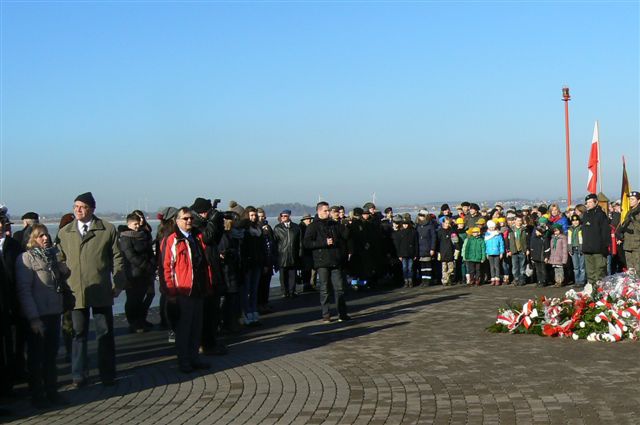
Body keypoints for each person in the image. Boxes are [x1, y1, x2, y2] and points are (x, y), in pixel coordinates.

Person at [57, 192, 125, 387]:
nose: (78, 210)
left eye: (82, 206)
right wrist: (62, 277)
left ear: (92, 209)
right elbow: (60, 258)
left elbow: (117, 257)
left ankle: (107, 373)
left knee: (104, 333)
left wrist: (118, 283)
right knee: (78, 334)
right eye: (75, 206)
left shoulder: (107, 229)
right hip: (75, 292)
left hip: (101, 290)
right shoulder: (65, 232)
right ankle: (79, 374)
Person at [16, 224, 70, 408]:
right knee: (37, 357)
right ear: (32, 239)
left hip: (53, 312)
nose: (45, 238)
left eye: (46, 235)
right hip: (38, 315)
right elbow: (24, 291)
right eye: (40, 236)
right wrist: (33, 318)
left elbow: (58, 282)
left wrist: (63, 269)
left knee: (51, 356)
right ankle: (38, 395)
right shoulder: (26, 259)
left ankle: (52, 392)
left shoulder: (51, 257)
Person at [163, 207, 212, 373]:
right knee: (184, 329)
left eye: (190, 218)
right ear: (177, 221)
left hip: (198, 289)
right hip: (183, 291)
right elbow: (166, 268)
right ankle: (184, 361)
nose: (189, 221)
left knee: (197, 327)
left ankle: (194, 358)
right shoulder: (172, 240)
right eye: (185, 218)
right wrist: (171, 293)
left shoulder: (197, 238)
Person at [303, 202, 350, 322]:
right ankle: (326, 314)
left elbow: (346, 236)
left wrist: (345, 224)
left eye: (329, 210)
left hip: (335, 260)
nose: (328, 213)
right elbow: (306, 243)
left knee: (339, 288)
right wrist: (323, 243)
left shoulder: (334, 224)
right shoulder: (313, 226)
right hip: (322, 261)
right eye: (325, 211)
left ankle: (342, 313)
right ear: (319, 211)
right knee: (325, 289)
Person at [118, 213, 156, 333]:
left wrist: (152, 263)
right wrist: (146, 265)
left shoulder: (142, 235)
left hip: (144, 272)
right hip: (133, 274)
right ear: (129, 223)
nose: (137, 227)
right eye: (135, 224)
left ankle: (140, 320)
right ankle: (133, 322)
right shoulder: (125, 238)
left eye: (138, 224)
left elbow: (149, 250)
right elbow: (130, 256)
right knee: (133, 299)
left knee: (141, 298)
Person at [240, 207, 266, 326]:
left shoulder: (258, 230)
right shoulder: (245, 231)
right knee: (246, 290)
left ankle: (254, 311)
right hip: (248, 263)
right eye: (251, 215)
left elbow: (263, 248)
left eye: (254, 215)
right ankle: (247, 312)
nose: (253, 217)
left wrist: (264, 262)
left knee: (254, 289)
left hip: (257, 262)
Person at [581, 193, 610, 286]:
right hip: (587, 249)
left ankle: (601, 293)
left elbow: (605, 232)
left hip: (598, 249)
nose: (587, 204)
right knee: (590, 274)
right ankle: (592, 292)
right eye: (586, 202)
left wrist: (604, 247)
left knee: (600, 272)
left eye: (590, 202)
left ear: (596, 202)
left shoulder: (601, 215)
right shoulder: (585, 215)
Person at [274, 210, 302, 298]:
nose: (284, 218)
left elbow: (300, 243)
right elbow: (275, 243)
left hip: (293, 255)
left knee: (292, 275)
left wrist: (300, 254)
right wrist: (275, 256)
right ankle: (284, 291)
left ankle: (292, 291)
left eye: (285, 216)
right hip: (282, 255)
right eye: (282, 216)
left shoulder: (296, 227)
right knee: (283, 276)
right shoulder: (277, 228)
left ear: (289, 216)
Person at [392, 216, 418, 288]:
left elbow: (415, 243)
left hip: (411, 253)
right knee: (404, 268)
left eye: (406, 224)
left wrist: (415, 254)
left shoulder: (413, 232)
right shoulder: (400, 233)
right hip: (403, 253)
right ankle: (406, 281)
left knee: (410, 267)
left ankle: (410, 280)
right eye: (404, 224)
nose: (405, 225)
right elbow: (398, 245)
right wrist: (399, 255)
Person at [618, 191, 640, 271]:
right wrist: (621, 234)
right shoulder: (629, 212)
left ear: (638, 200)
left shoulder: (638, 212)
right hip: (627, 244)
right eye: (630, 199)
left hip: (637, 245)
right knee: (630, 270)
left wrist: (634, 220)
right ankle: (632, 283)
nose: (630, 201)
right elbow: (624, 226)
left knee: (637, 268)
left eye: (633, 199)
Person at [415, 210, 436, 287]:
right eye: (420, 216)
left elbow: (433, 238)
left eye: (422, 216)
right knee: (422, 266)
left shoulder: (430, 226)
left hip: (427, 248)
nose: (420, 217)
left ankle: (428, 280)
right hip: (420, 249)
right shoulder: (417, 226)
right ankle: (423, 280)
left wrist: (432, 248)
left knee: (428, 265)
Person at [507, 216, 529, 286]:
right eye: (518, 220)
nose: (519, 222)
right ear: (514, 221)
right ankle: (516, 279)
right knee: (515, 266)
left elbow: (527, 240)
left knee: (522, 266)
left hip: (522, 250)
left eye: (520, 220)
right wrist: (508, 250)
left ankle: (522, 279)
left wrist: (527, 249)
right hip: (514, 250)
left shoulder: (524, 229)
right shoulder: (511, 230)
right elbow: (507, 241)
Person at [436, 218, 456, 286]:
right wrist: (438, 251)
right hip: (442, 252)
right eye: (446, 223)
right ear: (443, 223)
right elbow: (437, 242)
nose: (447, 224)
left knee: (451, 268)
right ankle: (445, 281)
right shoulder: (439, 231)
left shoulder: (452, 231)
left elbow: (455, 241)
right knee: (444, 268)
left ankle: (448, 278)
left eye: (448, 223)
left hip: (450, 251)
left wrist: (456, 249)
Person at [484, 220, 505, 286]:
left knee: (497, 266)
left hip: (497, 252)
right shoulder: (487, 235)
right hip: (490, 253)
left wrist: (501, 252)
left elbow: (501, 244)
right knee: (491, 267)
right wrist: (486, 253)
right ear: (488, 227)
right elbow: (486, 245)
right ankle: (492, 279)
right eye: (491, 227)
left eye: (493, 227)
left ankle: (497, 279)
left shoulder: (498, 234)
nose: (492, 228)